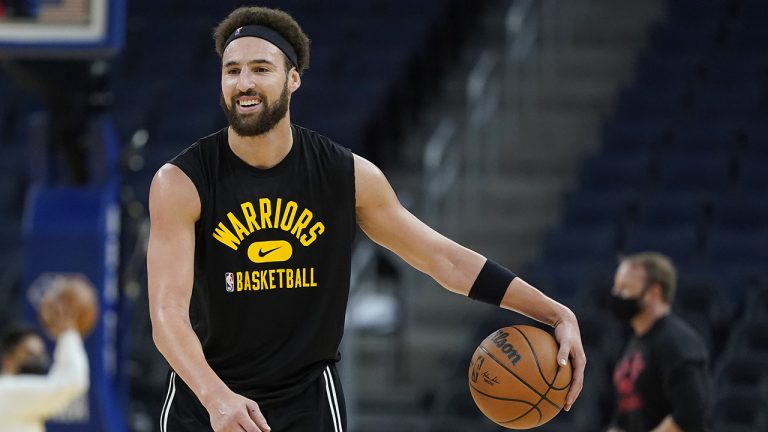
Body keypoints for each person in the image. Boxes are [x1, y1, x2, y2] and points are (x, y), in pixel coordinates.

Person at [147, 6, 586, 432]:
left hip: (306, 403)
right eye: (232, 71)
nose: (244, 83)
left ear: (292, 78)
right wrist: (214, 396)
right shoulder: (181, 182)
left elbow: (443, 260)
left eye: (261, 69)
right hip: (205, 402)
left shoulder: (346, 175)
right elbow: (168, 312)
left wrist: (553, 312)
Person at [607, 252, 712, 432]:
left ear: (654, 292)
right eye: (616, 288)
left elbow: (689, 416)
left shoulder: (677, 341)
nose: (616, 295)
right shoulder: (635, 344)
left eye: (624, 289)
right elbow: (625, 417)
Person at [0, 305, 89, 431]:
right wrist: (67, 333)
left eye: (40, 355)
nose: (37, 361)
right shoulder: (7, 390)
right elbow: (72, 381)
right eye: (29, 354)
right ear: (8, 360)